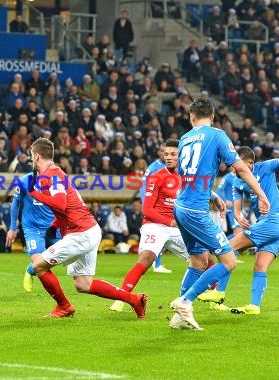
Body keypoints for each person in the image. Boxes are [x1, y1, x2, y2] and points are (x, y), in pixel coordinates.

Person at [170, 97, 270, 330]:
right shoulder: (217, 135)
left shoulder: (185, 139)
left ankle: (178, 318)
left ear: (191, 117)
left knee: (198, 261)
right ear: (213, 117)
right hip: (195, 210)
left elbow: (188, 176)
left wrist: (213, 196)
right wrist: (262, 195)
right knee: (229, 260)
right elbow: (242, 168)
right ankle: (186, 301)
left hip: (181, 207)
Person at [199, 130, 279, 315]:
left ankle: (219, 292)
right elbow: (237, 211)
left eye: (237, 164)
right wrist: (239, 218)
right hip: (274, 226)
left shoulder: (265, 168)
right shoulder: (237, 182)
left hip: (273, 221)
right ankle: (254, 306)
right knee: (260, 265)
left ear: (250, 163)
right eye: (233, 165)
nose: (234, 168)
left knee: (227, 249)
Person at [27, 137, 147, 318]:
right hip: (89, 229)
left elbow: (60, 204)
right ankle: (134, 300)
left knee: (39, 266)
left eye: (31, 155)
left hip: (80, 232)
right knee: (83, 284)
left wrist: (35, 194)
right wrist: (55, 225)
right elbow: (69, 205)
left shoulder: (49, 175)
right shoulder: (57, 173)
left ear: (36, 156)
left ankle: (64, 307)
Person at [110, 139, 197, 313]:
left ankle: (215, 298)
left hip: (177, 227)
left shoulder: (187, 178)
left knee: (204, 260)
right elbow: (147, 209)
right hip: (155, 225)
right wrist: (169, 222)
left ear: (182, 156)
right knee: (146, 258)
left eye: (173, 154)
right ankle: (121, 298)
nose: (169, 157)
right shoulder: (156, 177)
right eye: (166, 154)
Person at [5, 172, 60, 293]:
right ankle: (60, 300)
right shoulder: (25, 180)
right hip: (32, 227)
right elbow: (15, 202)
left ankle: (30, 270)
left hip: (53, 226)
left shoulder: (57, 179)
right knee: (38, 261)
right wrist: (12, 228)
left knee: (64, 256)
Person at [139, 144, 173, 273]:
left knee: (161, 234)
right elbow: (143, 185)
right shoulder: (153, 167)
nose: (165, 154)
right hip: (154, 206)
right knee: (156, 234)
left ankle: (155, 263)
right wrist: (145, 203)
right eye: (162, 151)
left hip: (166, 205)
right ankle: (155, 264)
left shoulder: (171, 167)